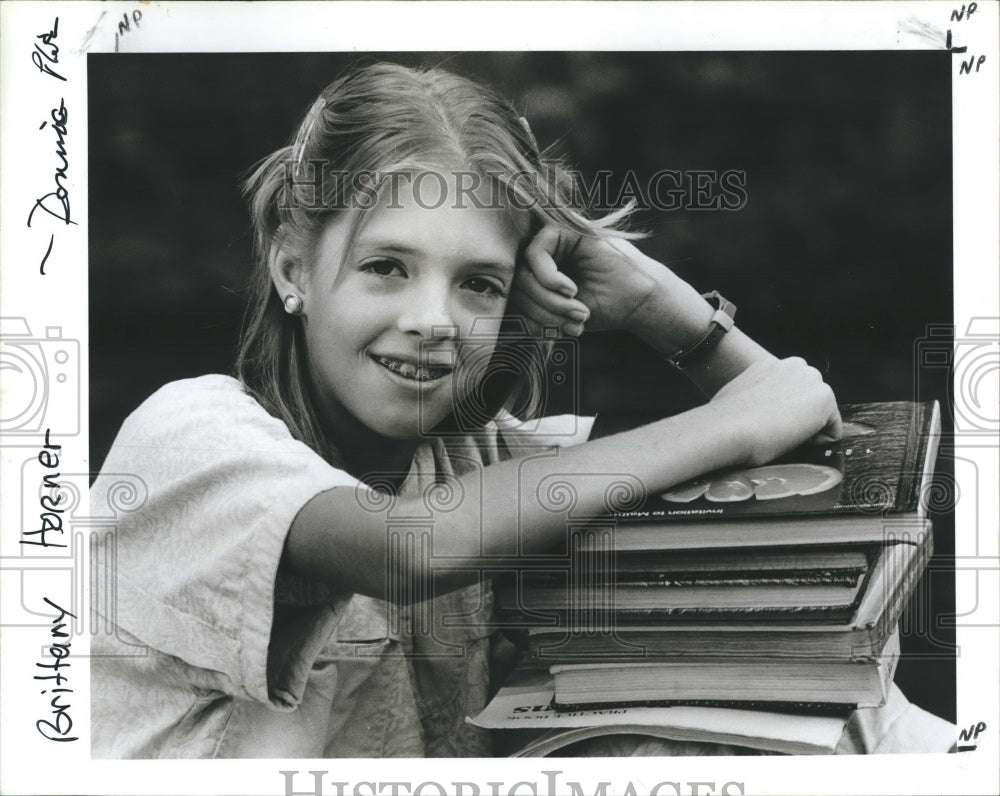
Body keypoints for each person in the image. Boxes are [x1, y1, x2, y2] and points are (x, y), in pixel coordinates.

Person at [89, 61, 950, 758]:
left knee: (829, 711)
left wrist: (663, 307)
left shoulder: (486, 467)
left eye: (478, 284)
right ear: (290, 269)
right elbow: (408, 546)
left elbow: (827, 483)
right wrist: (735, 416)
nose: (432, 320)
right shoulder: (191, 439)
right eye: (387, 266)